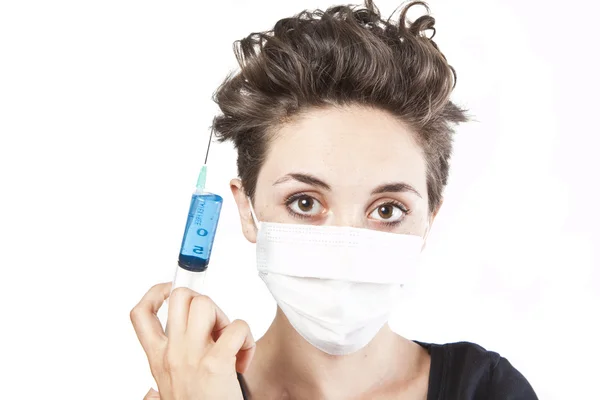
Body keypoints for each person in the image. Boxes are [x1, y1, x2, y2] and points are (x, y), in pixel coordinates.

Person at [130, 1, 538, 398]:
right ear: (246, 209)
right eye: (305, 203)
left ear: (429, 220)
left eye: (387, 210)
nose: (345, 247)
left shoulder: (487, 390)